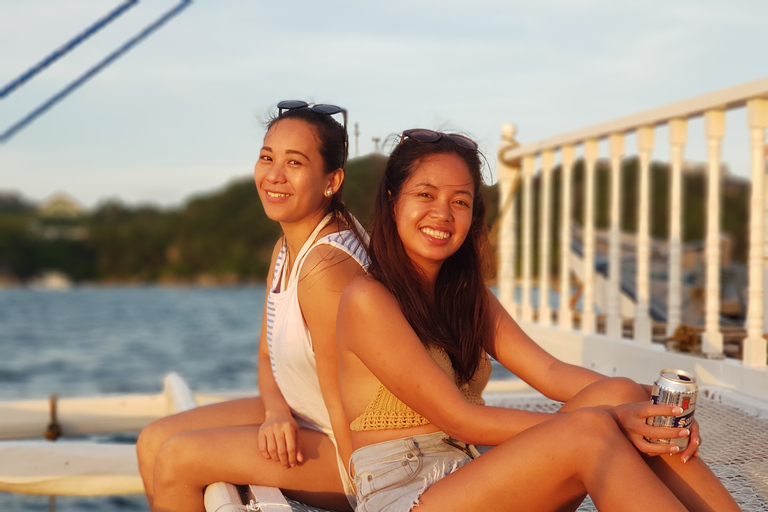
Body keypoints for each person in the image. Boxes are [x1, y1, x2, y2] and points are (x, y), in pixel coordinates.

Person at [335, 128, 741, 512]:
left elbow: (548, 370)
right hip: (406, 492)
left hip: (469, 475)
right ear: (392, 201)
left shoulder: (465, 295)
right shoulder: (368, 299)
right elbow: (460, 419)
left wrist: (657, 408)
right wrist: (613, 419)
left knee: (618, 392)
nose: (442, 213)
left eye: (460, 201)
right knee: (590, 431)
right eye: (426, 194)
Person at [136, 101, 368, 512]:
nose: (273, 175)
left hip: (350, 450)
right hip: (301, 415)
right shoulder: (285, 250)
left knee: (177, 458)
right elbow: (266, 358)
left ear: (331, 180)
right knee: (152, 441)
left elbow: (347, 405)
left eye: (294, 162)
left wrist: (375, 496)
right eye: (267, 157)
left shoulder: (327, 269)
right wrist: (276, 412)